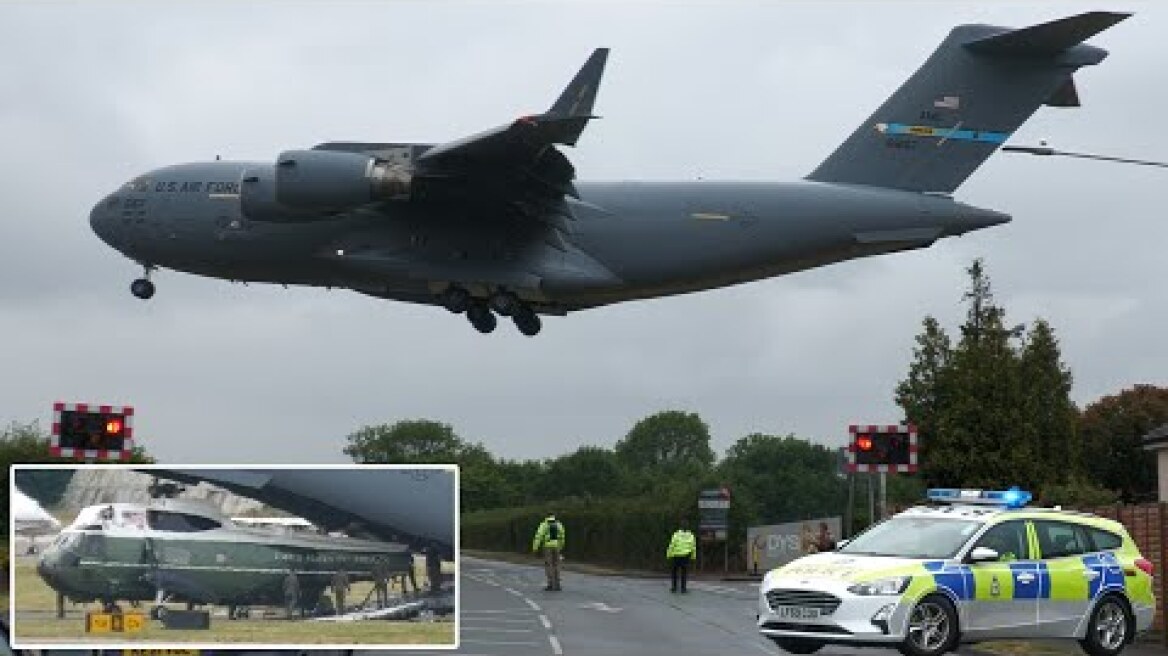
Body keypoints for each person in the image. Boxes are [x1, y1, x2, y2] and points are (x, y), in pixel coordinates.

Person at [531, 514, 565, 591]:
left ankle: (551, 584)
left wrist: (535, 548)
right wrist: (561, 546)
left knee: (549, 565)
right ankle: (557, 584)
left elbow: (538, 536)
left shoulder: (544, 524)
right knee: (557, 565)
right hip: (557, 546)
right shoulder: (559, 524)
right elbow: (562, 536)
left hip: (547, 546)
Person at [666, 524, 697, 593]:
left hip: (676, 555)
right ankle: (683, 588)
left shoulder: (676, 535)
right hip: (686, 556)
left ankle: (674, 588)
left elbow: (672, 545)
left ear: (680, 528)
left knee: (674, 572)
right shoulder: (691, 536)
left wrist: (668, 554)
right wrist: (693, 556)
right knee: (684, 572)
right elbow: (693, 547)